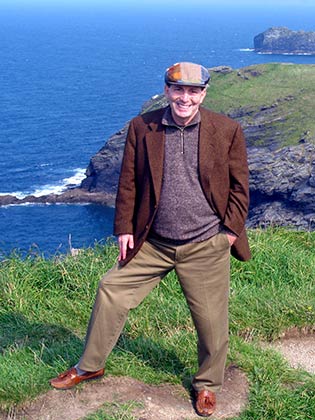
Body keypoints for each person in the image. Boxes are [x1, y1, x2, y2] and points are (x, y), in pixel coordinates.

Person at [50, 62, 250, 417]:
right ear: (167, 90)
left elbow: (240, 187)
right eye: (178, 89)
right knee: (111, 288)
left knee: (211, 322)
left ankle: (207, 385)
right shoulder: (142, 127)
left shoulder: (227, 129)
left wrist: (229, 234)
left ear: (203, 93)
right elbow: (128, 181)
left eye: (193, 91)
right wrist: (124, 228)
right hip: (153, 241)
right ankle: (89, 365)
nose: (184, 97)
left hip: (206, 244)